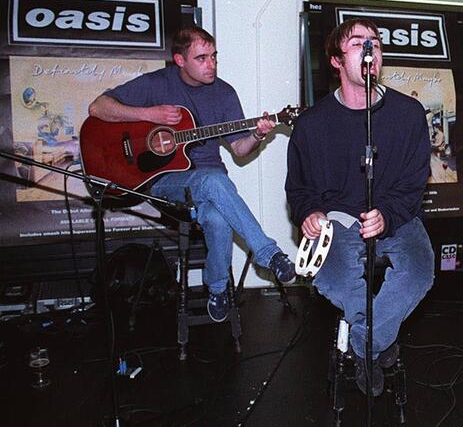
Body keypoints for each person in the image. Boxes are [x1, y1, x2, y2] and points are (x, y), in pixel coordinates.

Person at [88, 26, 296, 322]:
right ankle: (268, 254)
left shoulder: (224, 93)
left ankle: (217, 288)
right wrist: (149, 115)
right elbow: (98, 107)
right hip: (164, 183)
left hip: (212, 183)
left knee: (216, 216)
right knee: (213, 181)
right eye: (201, 58)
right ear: (179, 60)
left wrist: (259, 135)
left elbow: (239, 148)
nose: (211, 64)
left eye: (214, 57)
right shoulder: (155, 84)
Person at [285, 19, 434, 397]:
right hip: (339, 220)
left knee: (419, 272)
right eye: (358, 43)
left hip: (398, 216)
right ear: (337, 60)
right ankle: (379, 345)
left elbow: (415, 181)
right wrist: (309, 213)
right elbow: (299, 187)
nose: (371, 49)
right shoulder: (311, 124)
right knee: (333, 279)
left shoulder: (409, 114)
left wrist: (387, 213)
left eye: (376, 43)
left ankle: (366, 345)